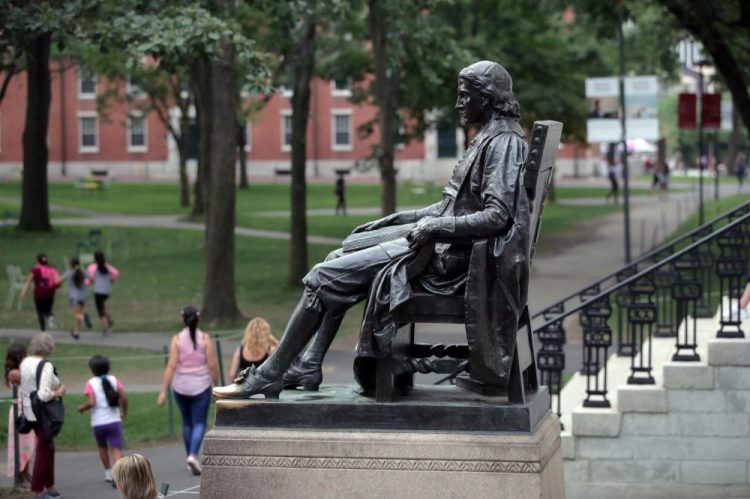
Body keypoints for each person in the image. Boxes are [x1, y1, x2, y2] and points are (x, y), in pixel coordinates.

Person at [214, 60, 531, 399]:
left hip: (448, 264)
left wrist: (434, 226)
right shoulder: (490, 137)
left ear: (488, 97)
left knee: (323, 276)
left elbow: (497, 217)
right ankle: (309, 362)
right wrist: (398, 219)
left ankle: (269, 373)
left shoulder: (503, 144)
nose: (459, 104)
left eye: (465, 96)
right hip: (441, 248)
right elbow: (454, 207)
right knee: (341, 253)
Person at [157, 306, 219, 475]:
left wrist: (163, 391)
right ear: (198, 320)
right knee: (199, 422)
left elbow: (171, 365)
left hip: (180, 387)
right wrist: (216, 385)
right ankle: (193, 455)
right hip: (201, 386)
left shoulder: (176, 339)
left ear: (182, 319)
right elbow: (212, 365)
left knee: (187, 422)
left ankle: (189, 456)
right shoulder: (205, 339)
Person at [19, 333, 65, 498]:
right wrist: (58, 391)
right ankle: (38, 490)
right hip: (43, 413)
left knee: (48, 447)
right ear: (50, 347)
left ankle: (50, 485)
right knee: (44, 450)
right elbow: (44, 394)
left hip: (29, 411)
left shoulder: (25, 362)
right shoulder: (46, 365)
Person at [78, 355, 128, 487]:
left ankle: (108, 473)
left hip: (98, 423)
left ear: (92, 370)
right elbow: (123, 397)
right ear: (108, 367)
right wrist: (124, 412)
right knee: (116, 449)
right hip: (114, 421)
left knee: (102, 447)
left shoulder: (90, 383)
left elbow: (92, 402)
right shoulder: (114, 380)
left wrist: (82, 408)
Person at [5, 343, 35, 488]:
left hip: (28, 408)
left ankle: (26, 472)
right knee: (21, 444)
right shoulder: (14, 372)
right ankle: (20, 474)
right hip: (20, 410)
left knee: (29, 444)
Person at [19, 254, 62, 332]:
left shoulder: (35, 269)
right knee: (48, 309)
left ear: (37, 260)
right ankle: (50, 317)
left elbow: (28, 282)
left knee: (40, 312)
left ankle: (43, 330)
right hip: (50, 293)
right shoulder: (52, 268)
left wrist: (23, 293)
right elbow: (58, 280)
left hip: (39, 293)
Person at [87, 251, 119, 333]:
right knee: (102, 304)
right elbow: (116, 272)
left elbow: (90, 278)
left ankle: (105, 327)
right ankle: (109, 318)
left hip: (98, 291)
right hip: (107, 291)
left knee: (100, 309)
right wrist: (112, 280)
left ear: (94, 258)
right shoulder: (107, 266)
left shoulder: (92, 267)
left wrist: (87, 283)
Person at [62, 257, 92, 340]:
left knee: (77, 314)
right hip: (83, 296)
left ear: (70, 265)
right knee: (78, 314)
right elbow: (92, 279)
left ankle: (84, 318)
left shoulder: (69, 273)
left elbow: (58, 281)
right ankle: (76, 333)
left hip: (74, 297)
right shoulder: (83, 271)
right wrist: (87, 284)